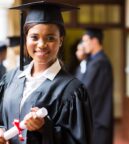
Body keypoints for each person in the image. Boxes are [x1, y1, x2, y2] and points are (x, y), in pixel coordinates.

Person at [0, 1, 92, 144]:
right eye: (34, 37)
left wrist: (45, 127)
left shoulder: (72, 91)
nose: (41, 44)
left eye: (50, 38)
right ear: (25, 38)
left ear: (60, 40)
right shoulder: (10, 78)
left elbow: (79, 141)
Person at [81, 28, 114, 144]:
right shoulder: (93, 60)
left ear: (94, 41)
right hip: (94, 117)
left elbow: (86, 87)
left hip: (98, 118)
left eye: (85, 41)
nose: (83, 45)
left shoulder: (101, 62)